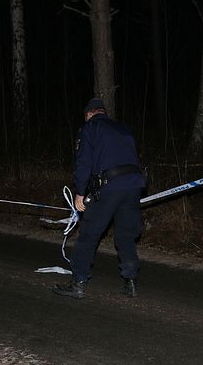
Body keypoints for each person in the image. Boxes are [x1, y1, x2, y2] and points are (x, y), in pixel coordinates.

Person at [53, 98, 145, 299]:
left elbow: (84, 161)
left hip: (109, 187)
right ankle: (130, 282)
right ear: (103, 112)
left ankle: (78, 282)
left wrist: (80, 192)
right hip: (133, 186)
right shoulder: (123, 129)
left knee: (89, 234)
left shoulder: (90, 128)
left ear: (88, 115)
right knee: (125, 236)